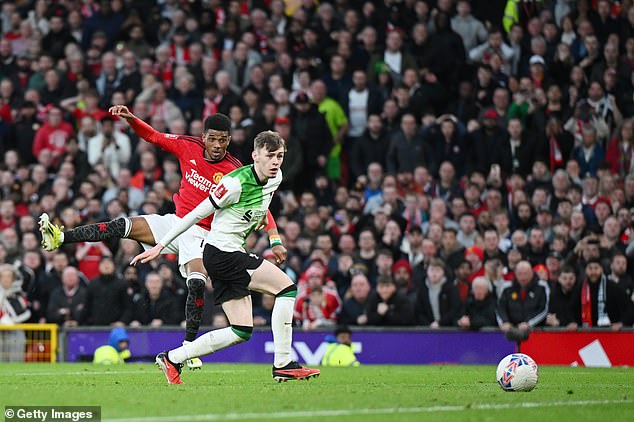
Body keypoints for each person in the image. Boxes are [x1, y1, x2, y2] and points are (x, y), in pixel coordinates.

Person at [39, 108, 284, 370]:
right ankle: (60, 237)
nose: (217, 145)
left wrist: (274, 236)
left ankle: (189, 349)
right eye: (212, 138)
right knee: (123, 225)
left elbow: (262, 204)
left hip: (205, 234)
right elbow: (153, 136)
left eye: (223, 140)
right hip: (176, 222)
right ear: (203, 137)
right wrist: (132, 119)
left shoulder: (236, 171)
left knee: (197, 283)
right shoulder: (187, 147)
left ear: (229, 139)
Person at [130, 131, 320, 384]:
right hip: (222, 254)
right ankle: (283, 363)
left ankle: (172, 358)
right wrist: (160, 245)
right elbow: (195, 214)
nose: (276, 162)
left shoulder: (276, 178)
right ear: (255, 156)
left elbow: (263, 209)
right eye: (270, 156)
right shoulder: (234, 183)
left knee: (241, 330)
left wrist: (275, 240)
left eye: (280, 156)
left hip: (228, 254)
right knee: (286, 289)